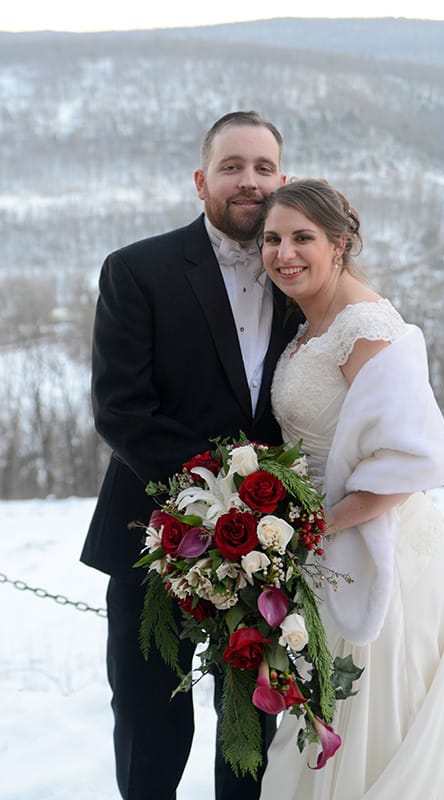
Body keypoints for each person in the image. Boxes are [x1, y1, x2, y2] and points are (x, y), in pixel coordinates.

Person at [258, 179, 444, 799]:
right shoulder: (307, 324)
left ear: (340, 243)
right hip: (328, 546)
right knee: (327, 720)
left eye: (303, 238)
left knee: (378, 721)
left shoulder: (368, 327)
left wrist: (311, 529)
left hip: (386, 550)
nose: (284, 252)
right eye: (273, 238)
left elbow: (409, 464)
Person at [80, 111, 302, 800]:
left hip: (272, 541)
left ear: (282, 180)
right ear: (202, 180)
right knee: (150, 721)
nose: (249, 181)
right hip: (153, 534)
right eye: (233, 166)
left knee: (254, 728)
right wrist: (222, 492)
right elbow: (122, 409)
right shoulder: (136, 270)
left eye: (263, 167)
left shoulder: (303, 272)